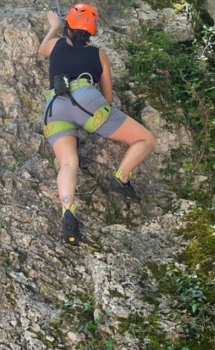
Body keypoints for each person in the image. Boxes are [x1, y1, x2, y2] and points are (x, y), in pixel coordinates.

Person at [38, 3, 155, 246]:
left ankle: (68, 211)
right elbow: (108, 97)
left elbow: (42, 50)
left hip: (54, 106)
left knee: (68, 163)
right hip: (87, 102)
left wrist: (54, 28)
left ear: (68, 25)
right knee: (145, 139)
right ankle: (121, 177)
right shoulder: (98, 55)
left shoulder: (56, 45)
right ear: (92, 32)